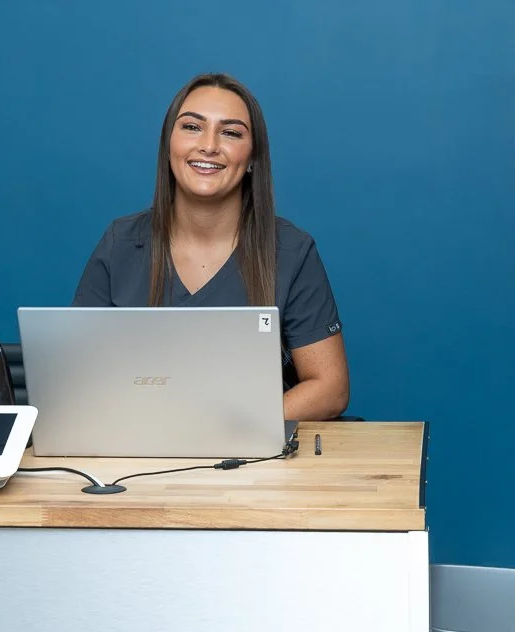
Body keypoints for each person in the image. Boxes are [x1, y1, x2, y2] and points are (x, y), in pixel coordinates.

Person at [72, 73, 349, 421]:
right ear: (168, 144)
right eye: (191, 127)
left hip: (250, 461)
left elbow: (330, 388)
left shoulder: (291, 251)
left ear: (252, 159)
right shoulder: (121, 244)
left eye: (231, 132)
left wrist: (225, 427)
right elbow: (77, 379)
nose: (209, 145)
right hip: (139, 457)